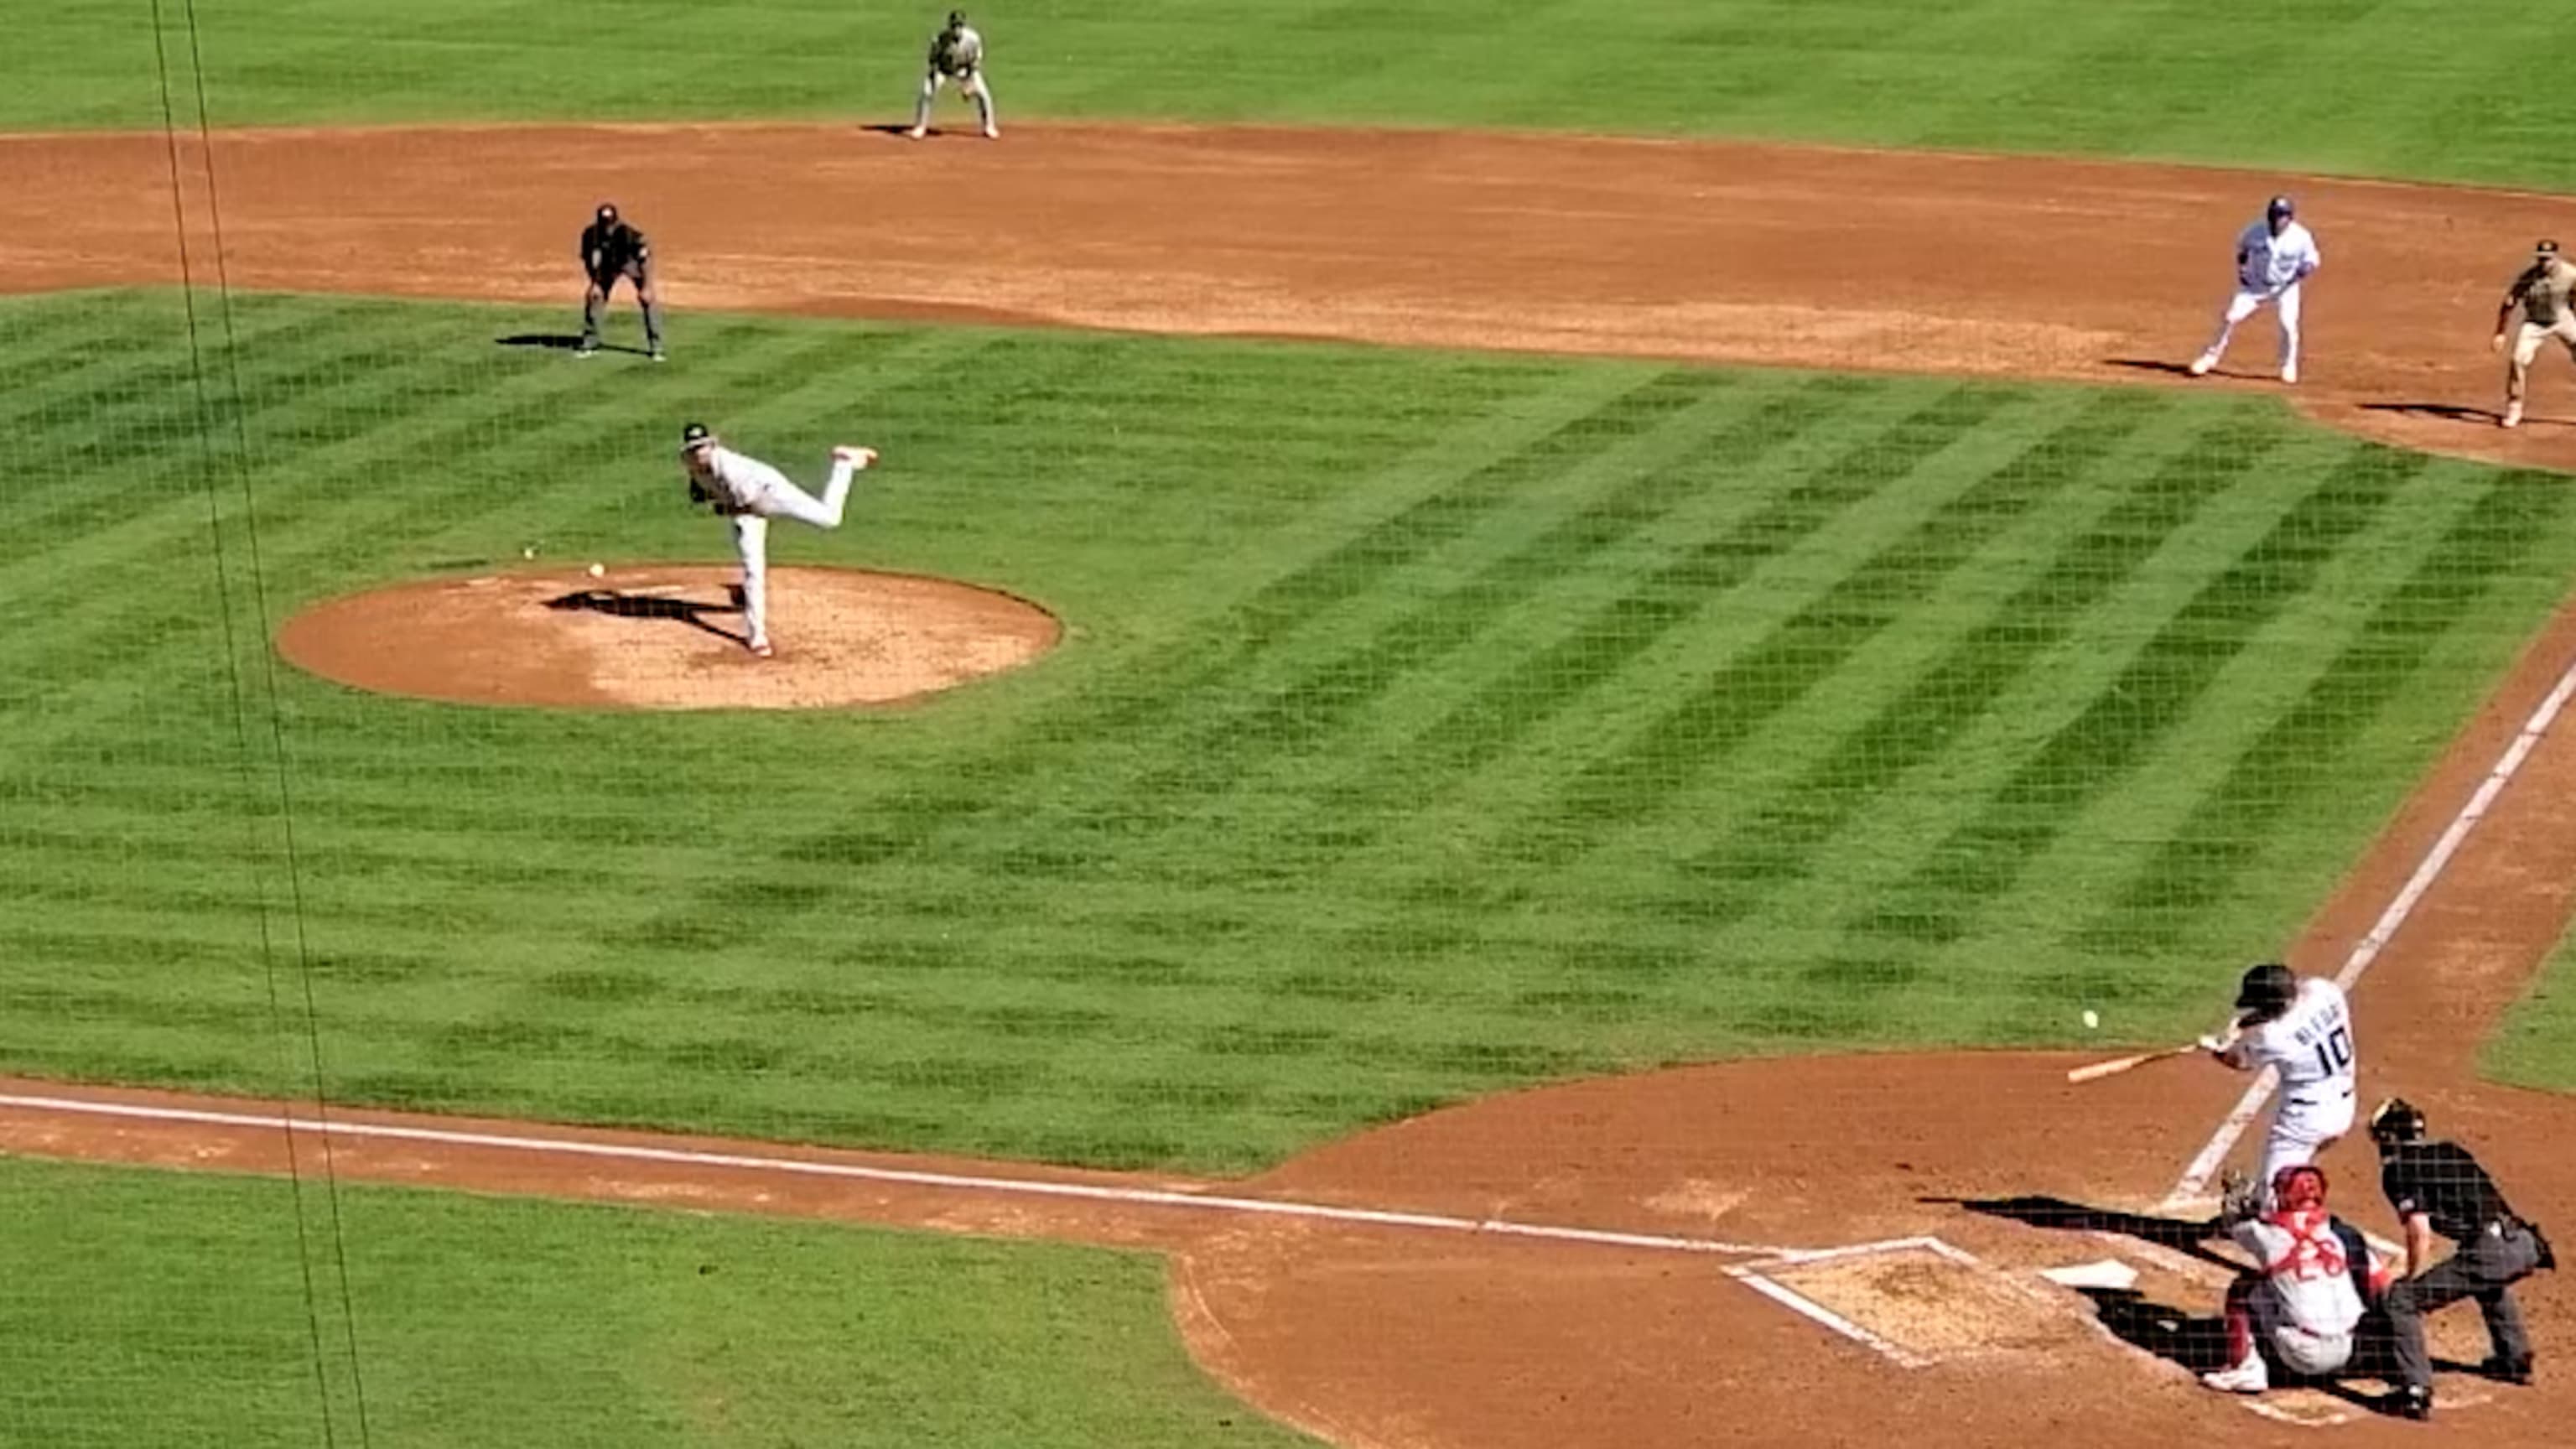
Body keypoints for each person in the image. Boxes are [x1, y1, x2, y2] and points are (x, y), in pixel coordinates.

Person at [2368, 1097, 2555, 1420]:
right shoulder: (2451, 1151)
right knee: (2487, 1279)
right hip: (2524, 1243)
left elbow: (2418, 1229)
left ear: (2388, 1138)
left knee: (2401, 1300)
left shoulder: (2398, 1171)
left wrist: (2411, 1276)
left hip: (2490, 1251)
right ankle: (2514, 1358)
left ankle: (2415, 1391)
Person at [678, 423, 876, 658]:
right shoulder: (692, 464)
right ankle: (757, 636)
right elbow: (702, 493)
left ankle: (844, 463)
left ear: (712, 445)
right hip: (746, 513)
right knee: (753, 570)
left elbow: (744, 504)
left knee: (829, 519)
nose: (699, 452)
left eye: (702, 447)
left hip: (771, 494)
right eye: (694, 449)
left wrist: (720, 506)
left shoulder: (732, 469)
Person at [2200, 1164, 2392, 1394]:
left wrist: (2236, 1201)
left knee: (2244, 1288)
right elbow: (2380, 1283)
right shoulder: (2342, 1234)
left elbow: (2234, 1224)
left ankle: (2247, 1369)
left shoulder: (2269, 1237)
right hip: (2352, 1352)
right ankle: (2391, 1364)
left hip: (2302, 1356)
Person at [2202, 962, 2356, 1208]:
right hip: (2344, 1107)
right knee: (2293, 1167)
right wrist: (2245, 1024)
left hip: (2303, 1123)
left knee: (2274, 1204)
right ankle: (2268, 1191)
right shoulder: (2325, 991)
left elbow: (2238, 1061)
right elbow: (2290, 1004)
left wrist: (2215, 1048)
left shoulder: (2272, 1037)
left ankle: (2263, 1213)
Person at [2189, 195, 2321, 385]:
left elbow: (2312, 259)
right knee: (2229, 317)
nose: (2277, 220)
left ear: (2290, 218)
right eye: (2275, 215)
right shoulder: (2255, 231)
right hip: (2254, 286)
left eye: (2282, 216)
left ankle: (2288, 365)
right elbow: (2243, 249)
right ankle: (2209, 358)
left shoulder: (2301, 237)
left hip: (2285, 288)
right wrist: (2242, 269)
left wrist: (2304, 269)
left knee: (2288, 325)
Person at [2489, 239, 2576, 428]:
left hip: (2563, 319)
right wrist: (2500, 333)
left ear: (2556, 258)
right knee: (2518, 360)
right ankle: (2515, 407)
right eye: (2541, 259)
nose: (2544, 263)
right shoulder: (2528, 278)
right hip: (2534, 323)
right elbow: (2509, 302)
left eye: (2548, 259)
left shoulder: (2571, 274)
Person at [579, 203, 665, 361]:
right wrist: (595, 283)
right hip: (607, 265)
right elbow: (589, 260)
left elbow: (644, 259)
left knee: (648, 300)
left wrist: (646, 286)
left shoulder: (628, 234)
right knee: (594, 297)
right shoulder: (591, 235)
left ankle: (656, 347)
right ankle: (589, 343)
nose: (607, 228)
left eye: (610, 223)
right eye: (604, 223)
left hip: (630, 262)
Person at [907, 10, 998, 140]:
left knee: (984, 94)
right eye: (954, 26)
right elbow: (933, 60)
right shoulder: (940, 39)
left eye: (959, 26)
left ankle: (989, 127)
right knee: (926, 92)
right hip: (943, 70)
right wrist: (933, 78)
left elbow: (975, 62)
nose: (957, 29)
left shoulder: (973, 39)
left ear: (963, 26)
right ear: (949, 26)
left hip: (965, 70)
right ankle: (920, 127)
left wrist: (968, 84)